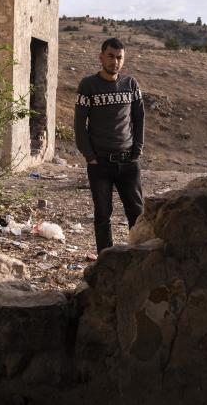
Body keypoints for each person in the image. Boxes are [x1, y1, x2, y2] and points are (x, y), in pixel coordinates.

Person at [74, 37, 145, 252]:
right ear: (101, 57)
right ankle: (106, 259)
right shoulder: (88, 85)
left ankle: (139, 255)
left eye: (119, 58)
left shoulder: (130, 85)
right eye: (111, 56)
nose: (115, 61)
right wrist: (90, 156)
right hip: (100, 164)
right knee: (103, 215)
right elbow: (79, 123)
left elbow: (139, 118)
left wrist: (137, 150)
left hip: (128, 162)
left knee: (136, 212)